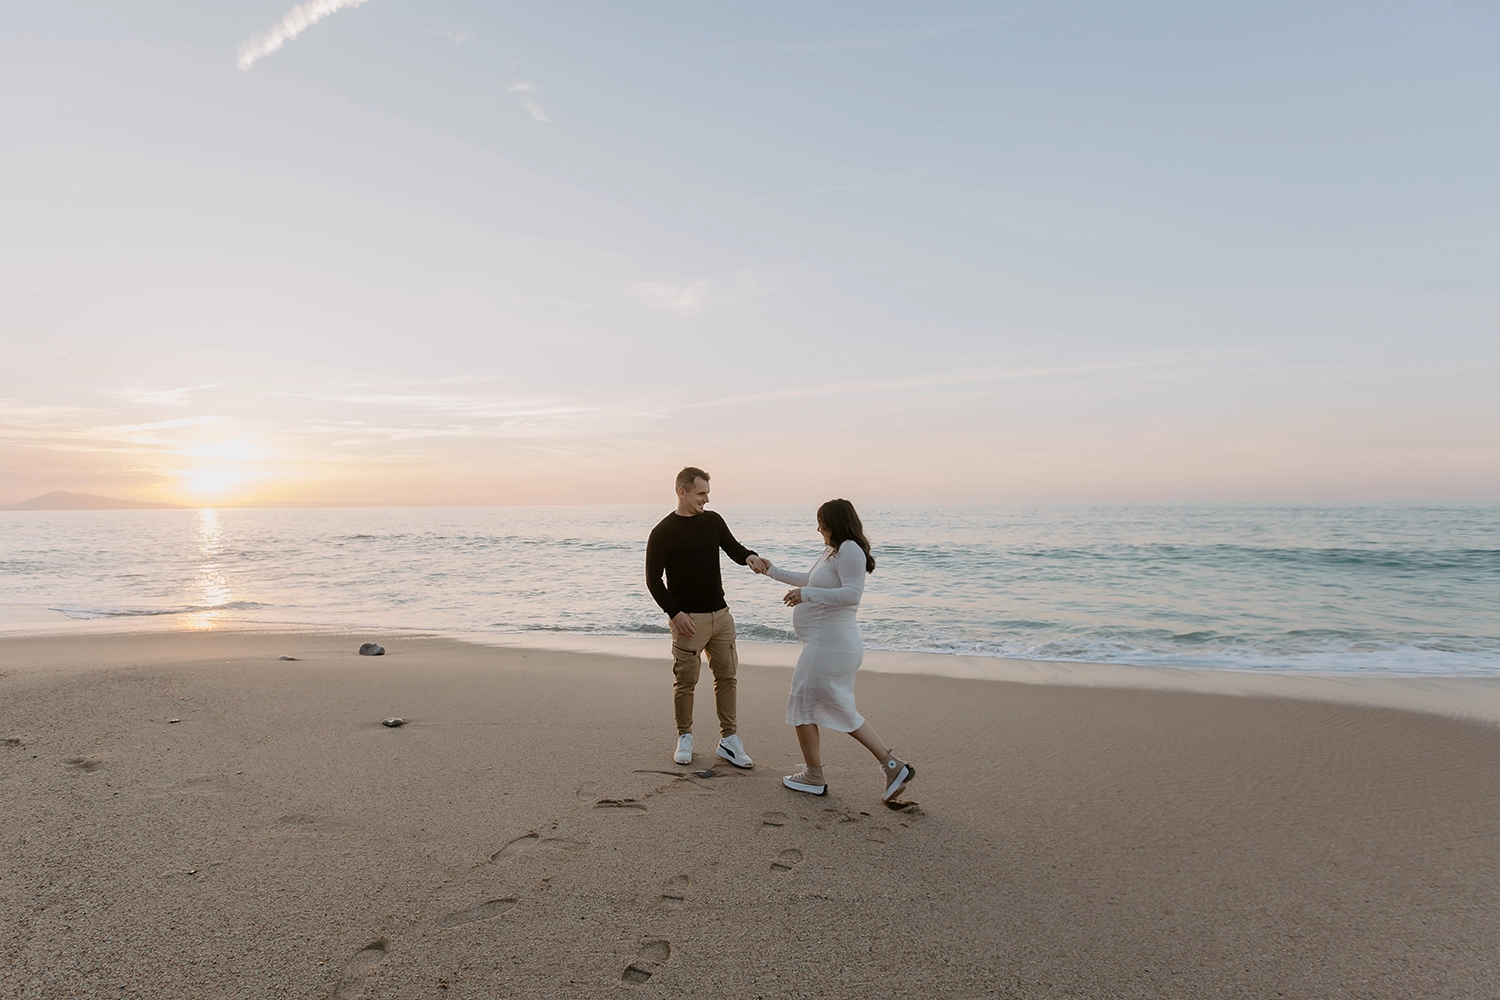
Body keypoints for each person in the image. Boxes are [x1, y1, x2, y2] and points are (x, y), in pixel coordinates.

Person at [756, 499, 913, 801]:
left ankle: (814, 776)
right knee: (835, 708)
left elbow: (852, 595)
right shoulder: (833, 551)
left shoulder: (851, 549)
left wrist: (807, 595)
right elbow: (809, 580)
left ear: (835, 522)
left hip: (830, 646)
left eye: (822, 523)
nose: (818, 528)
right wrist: (771, 570)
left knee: (802, 705)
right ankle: (892, 766)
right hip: (826, 645)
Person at [646, 466, 769, 769]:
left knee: (727, 678)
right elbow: (653, 579)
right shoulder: (663, 532)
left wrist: (750, 556)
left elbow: (733, 548)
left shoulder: (713, 522)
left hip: (721, 617)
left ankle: (729, 740)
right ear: (682, 492)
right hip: (688, 622)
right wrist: (675, 614)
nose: (707, 499)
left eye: (708, 493)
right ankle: (685, 737)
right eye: (701, 493)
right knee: (686, 683)